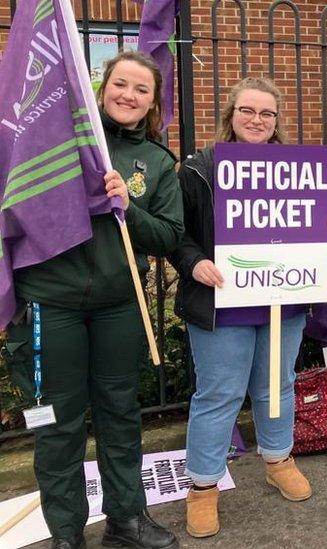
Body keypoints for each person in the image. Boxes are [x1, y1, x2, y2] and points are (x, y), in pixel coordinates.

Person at [6, 51, 183, 549]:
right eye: (120, 84)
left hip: (117, 305)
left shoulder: (156, 161)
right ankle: (66, 534)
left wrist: (128, 206)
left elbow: (169, 236)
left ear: (152, 102)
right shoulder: (57, 144)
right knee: (56, 423)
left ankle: (127, 520)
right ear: (101, 89)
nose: (128, 95)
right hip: (50, 301)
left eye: (141, 89)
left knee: (119, 414)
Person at [168, 76, 327, 538]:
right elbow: (176, 234)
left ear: (276, 121)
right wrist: (195, 263)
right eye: (248, 111)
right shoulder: (200, 169)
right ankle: (203, 487)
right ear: (230, 115)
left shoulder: (296, 169)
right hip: (221, 302)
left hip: (281, 300)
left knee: (277, 385)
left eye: (267, 113)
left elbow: (303, 226)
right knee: (219, 394)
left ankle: (278, 459)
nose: (257, 120)